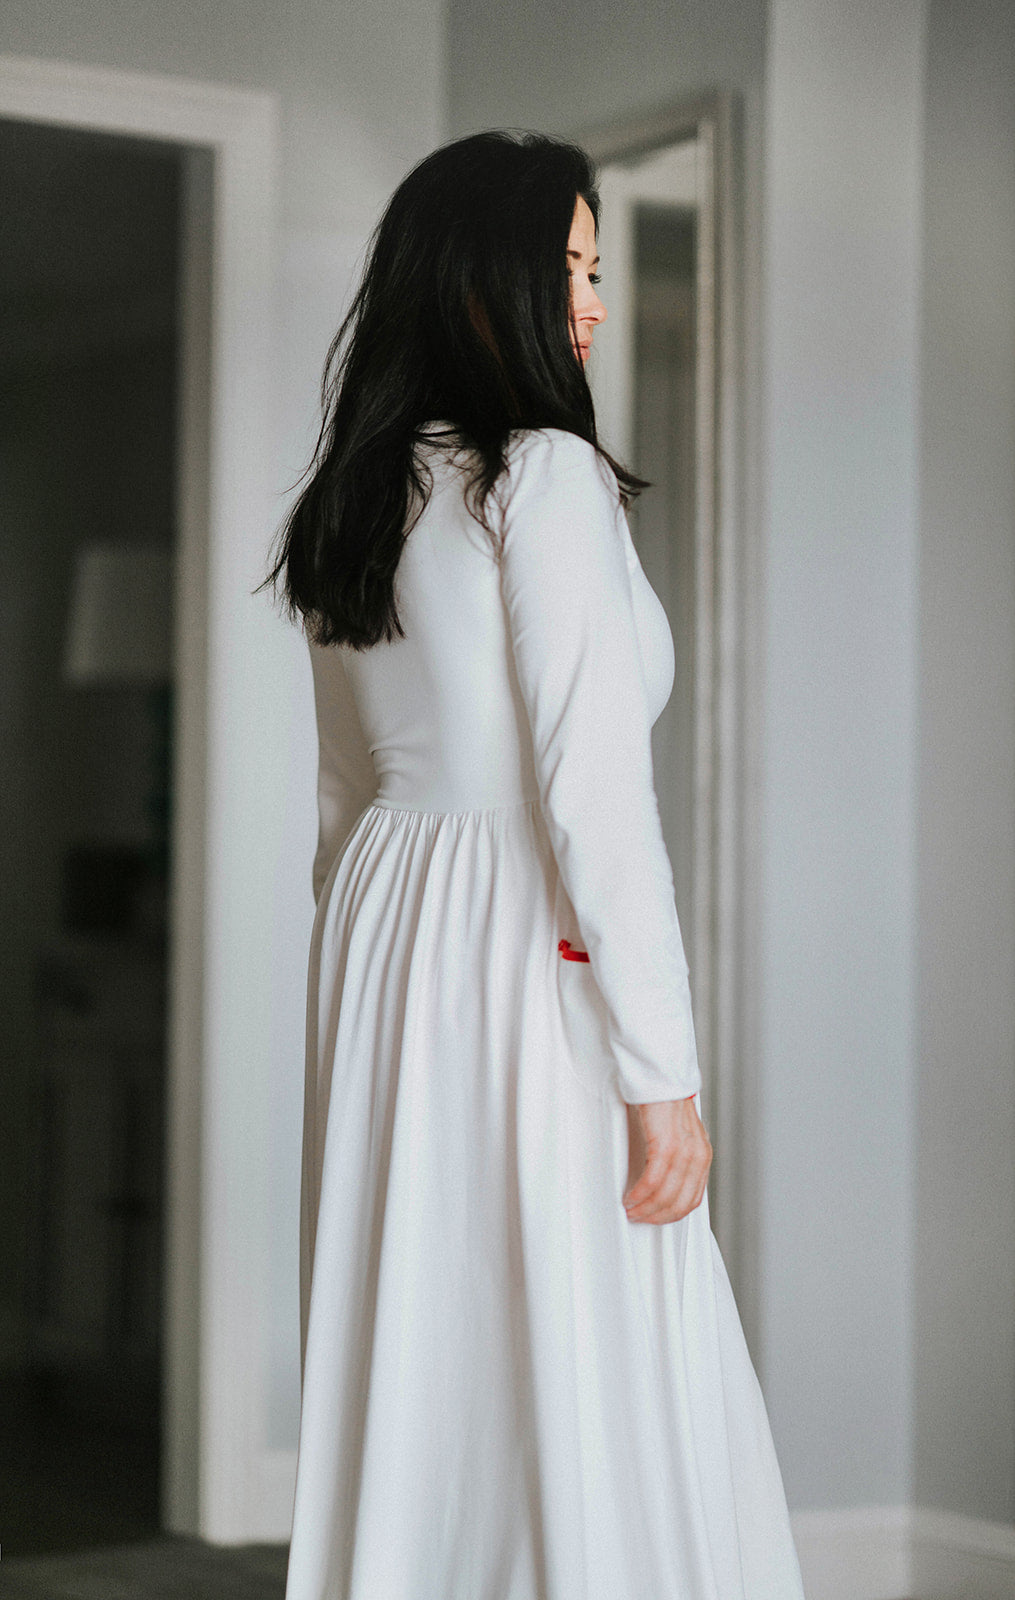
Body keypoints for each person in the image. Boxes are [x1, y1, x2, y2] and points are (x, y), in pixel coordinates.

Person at [268, 129, 805, 1600]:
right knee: (584, 1320)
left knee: (429, 1329)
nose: (595, 303)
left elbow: (343, 795)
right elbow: (592, 794)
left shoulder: (354, 497)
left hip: (386, 942)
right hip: (521, 926)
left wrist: (368, 994)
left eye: (596, 269)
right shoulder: (544, 473)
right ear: (482, 276)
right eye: (570, 266)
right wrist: (660, 1069)